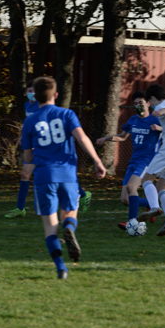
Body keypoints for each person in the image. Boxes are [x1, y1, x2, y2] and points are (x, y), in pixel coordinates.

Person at [21, 76, 106, 279]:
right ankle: (69, 227)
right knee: (70, 212)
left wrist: (29, 166)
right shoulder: (67, 114)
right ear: (56, 94)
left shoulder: (30, 120)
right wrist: (97, 161)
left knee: (50, 225)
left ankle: (61, 268)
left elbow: (28, 156)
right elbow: (82, 137)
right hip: (67, 174)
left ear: (35, 96)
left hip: (44, 175)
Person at [4, 80, 92, 218]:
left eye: (34, 91)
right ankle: (20, 208)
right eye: (29, 91)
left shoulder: (42, 107)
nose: (32, 94)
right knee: (25, 174)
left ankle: (82, 193)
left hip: (44, 147)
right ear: (25, 93)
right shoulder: (27, 105)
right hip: (34, 146)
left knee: (50, 175)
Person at [96, 91, 162, 229]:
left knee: (132, 187)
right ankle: (151, 205)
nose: (138, 105)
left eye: (141, 102)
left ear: (148, 103)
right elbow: (122, 136)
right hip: (134, 160)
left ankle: (132, 223)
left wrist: (159, 128)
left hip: (147, 161)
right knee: (125, 199)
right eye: (135, 103)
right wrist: (106, 138)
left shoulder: (156, 120)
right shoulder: (133, 120)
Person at [136, 84, 165, 236]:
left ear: (153, 98)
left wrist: (158, 112)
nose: (150, 105)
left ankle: (155, 207)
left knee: (146, 179)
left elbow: (164, 111)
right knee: (162, 186)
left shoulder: (163, 106)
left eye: (150, 102)